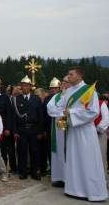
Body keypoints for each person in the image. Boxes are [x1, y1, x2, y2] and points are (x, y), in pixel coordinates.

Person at [51, 66, 107, 201]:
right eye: (68, 74)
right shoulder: (68, 91)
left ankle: (93, 192)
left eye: (71, 74)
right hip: (72, 131)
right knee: (73, 159)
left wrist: (72, 113)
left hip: (85, 132)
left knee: (87, 160)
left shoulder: (90, 91)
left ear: (80, 76)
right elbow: (61, 108)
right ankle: (74, 189)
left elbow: (94, 112)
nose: (68, 77)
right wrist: (61, 115)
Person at [12, 76, 43, 180]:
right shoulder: (17, 99)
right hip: (22, 129)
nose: (24, 87)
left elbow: (40, 116)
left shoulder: (36, 98)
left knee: (35, 151)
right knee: (22, 151)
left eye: (26, 85)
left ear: (30, 87)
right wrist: (15, 131)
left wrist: (40, 131)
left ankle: (35, 172)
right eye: (23, 86)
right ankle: (23, 172)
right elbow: (14, 117)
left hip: (34, 129)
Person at [47, 76, 69, 187]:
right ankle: (59, 177)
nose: (63, 85)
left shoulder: (72, 96)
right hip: (58, 125)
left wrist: (60, 111)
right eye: (63, 83)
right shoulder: (56, 96)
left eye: (66, 83)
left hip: (70, 125)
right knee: (58, 151)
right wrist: (61, 112)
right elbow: (50, 108)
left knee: (68, 151)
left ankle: (68, 178)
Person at [95, 95, 109, 186]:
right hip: (88, 136)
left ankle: (104, 181)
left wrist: (98, 128)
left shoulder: (101, 104)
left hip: (99, 134)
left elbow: (106, 119)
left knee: (101, 157)